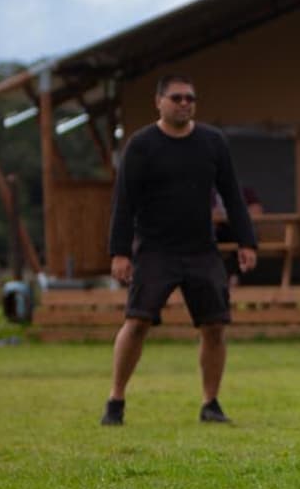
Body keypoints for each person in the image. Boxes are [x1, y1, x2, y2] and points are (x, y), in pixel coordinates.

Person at [101, 73, 257, 426]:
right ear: (159, 102)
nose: (184, 103)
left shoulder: (212, 142)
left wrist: (246, 241)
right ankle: (116, 400)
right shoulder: (141, 145)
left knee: (214, 326)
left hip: (202, 249)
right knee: (137, 322)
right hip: (155, 250)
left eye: (190, 98)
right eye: (176, 98)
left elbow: (233, 195)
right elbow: (123, 202)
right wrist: (120, 252)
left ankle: (210, 403)